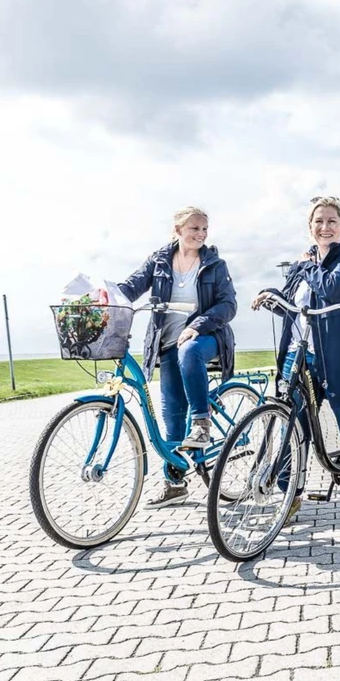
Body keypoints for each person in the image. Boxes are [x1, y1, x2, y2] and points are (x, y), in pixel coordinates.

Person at [252, 195, 340, 523]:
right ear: (310, 227)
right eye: (318, 222)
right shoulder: (303, 266)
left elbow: (334, 288)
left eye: (331, 221)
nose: (325, 227)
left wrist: (308, 265)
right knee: (291, 429)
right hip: (299, 357)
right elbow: (292, 304)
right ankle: (289, 498)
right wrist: (270, 295)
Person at [118, 206, 237, 508]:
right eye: (194, 228)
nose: (201, 234)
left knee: (190, 349)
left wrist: (197, 326)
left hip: (207, 337)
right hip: (168, 344)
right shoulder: (159, 261)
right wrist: (104, 296)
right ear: (178, 230)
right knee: (171, 416)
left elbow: (228, 305)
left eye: (204, 229)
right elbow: (131, 287)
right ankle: (174, 484)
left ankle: (202, 422)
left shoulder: (214, 264)